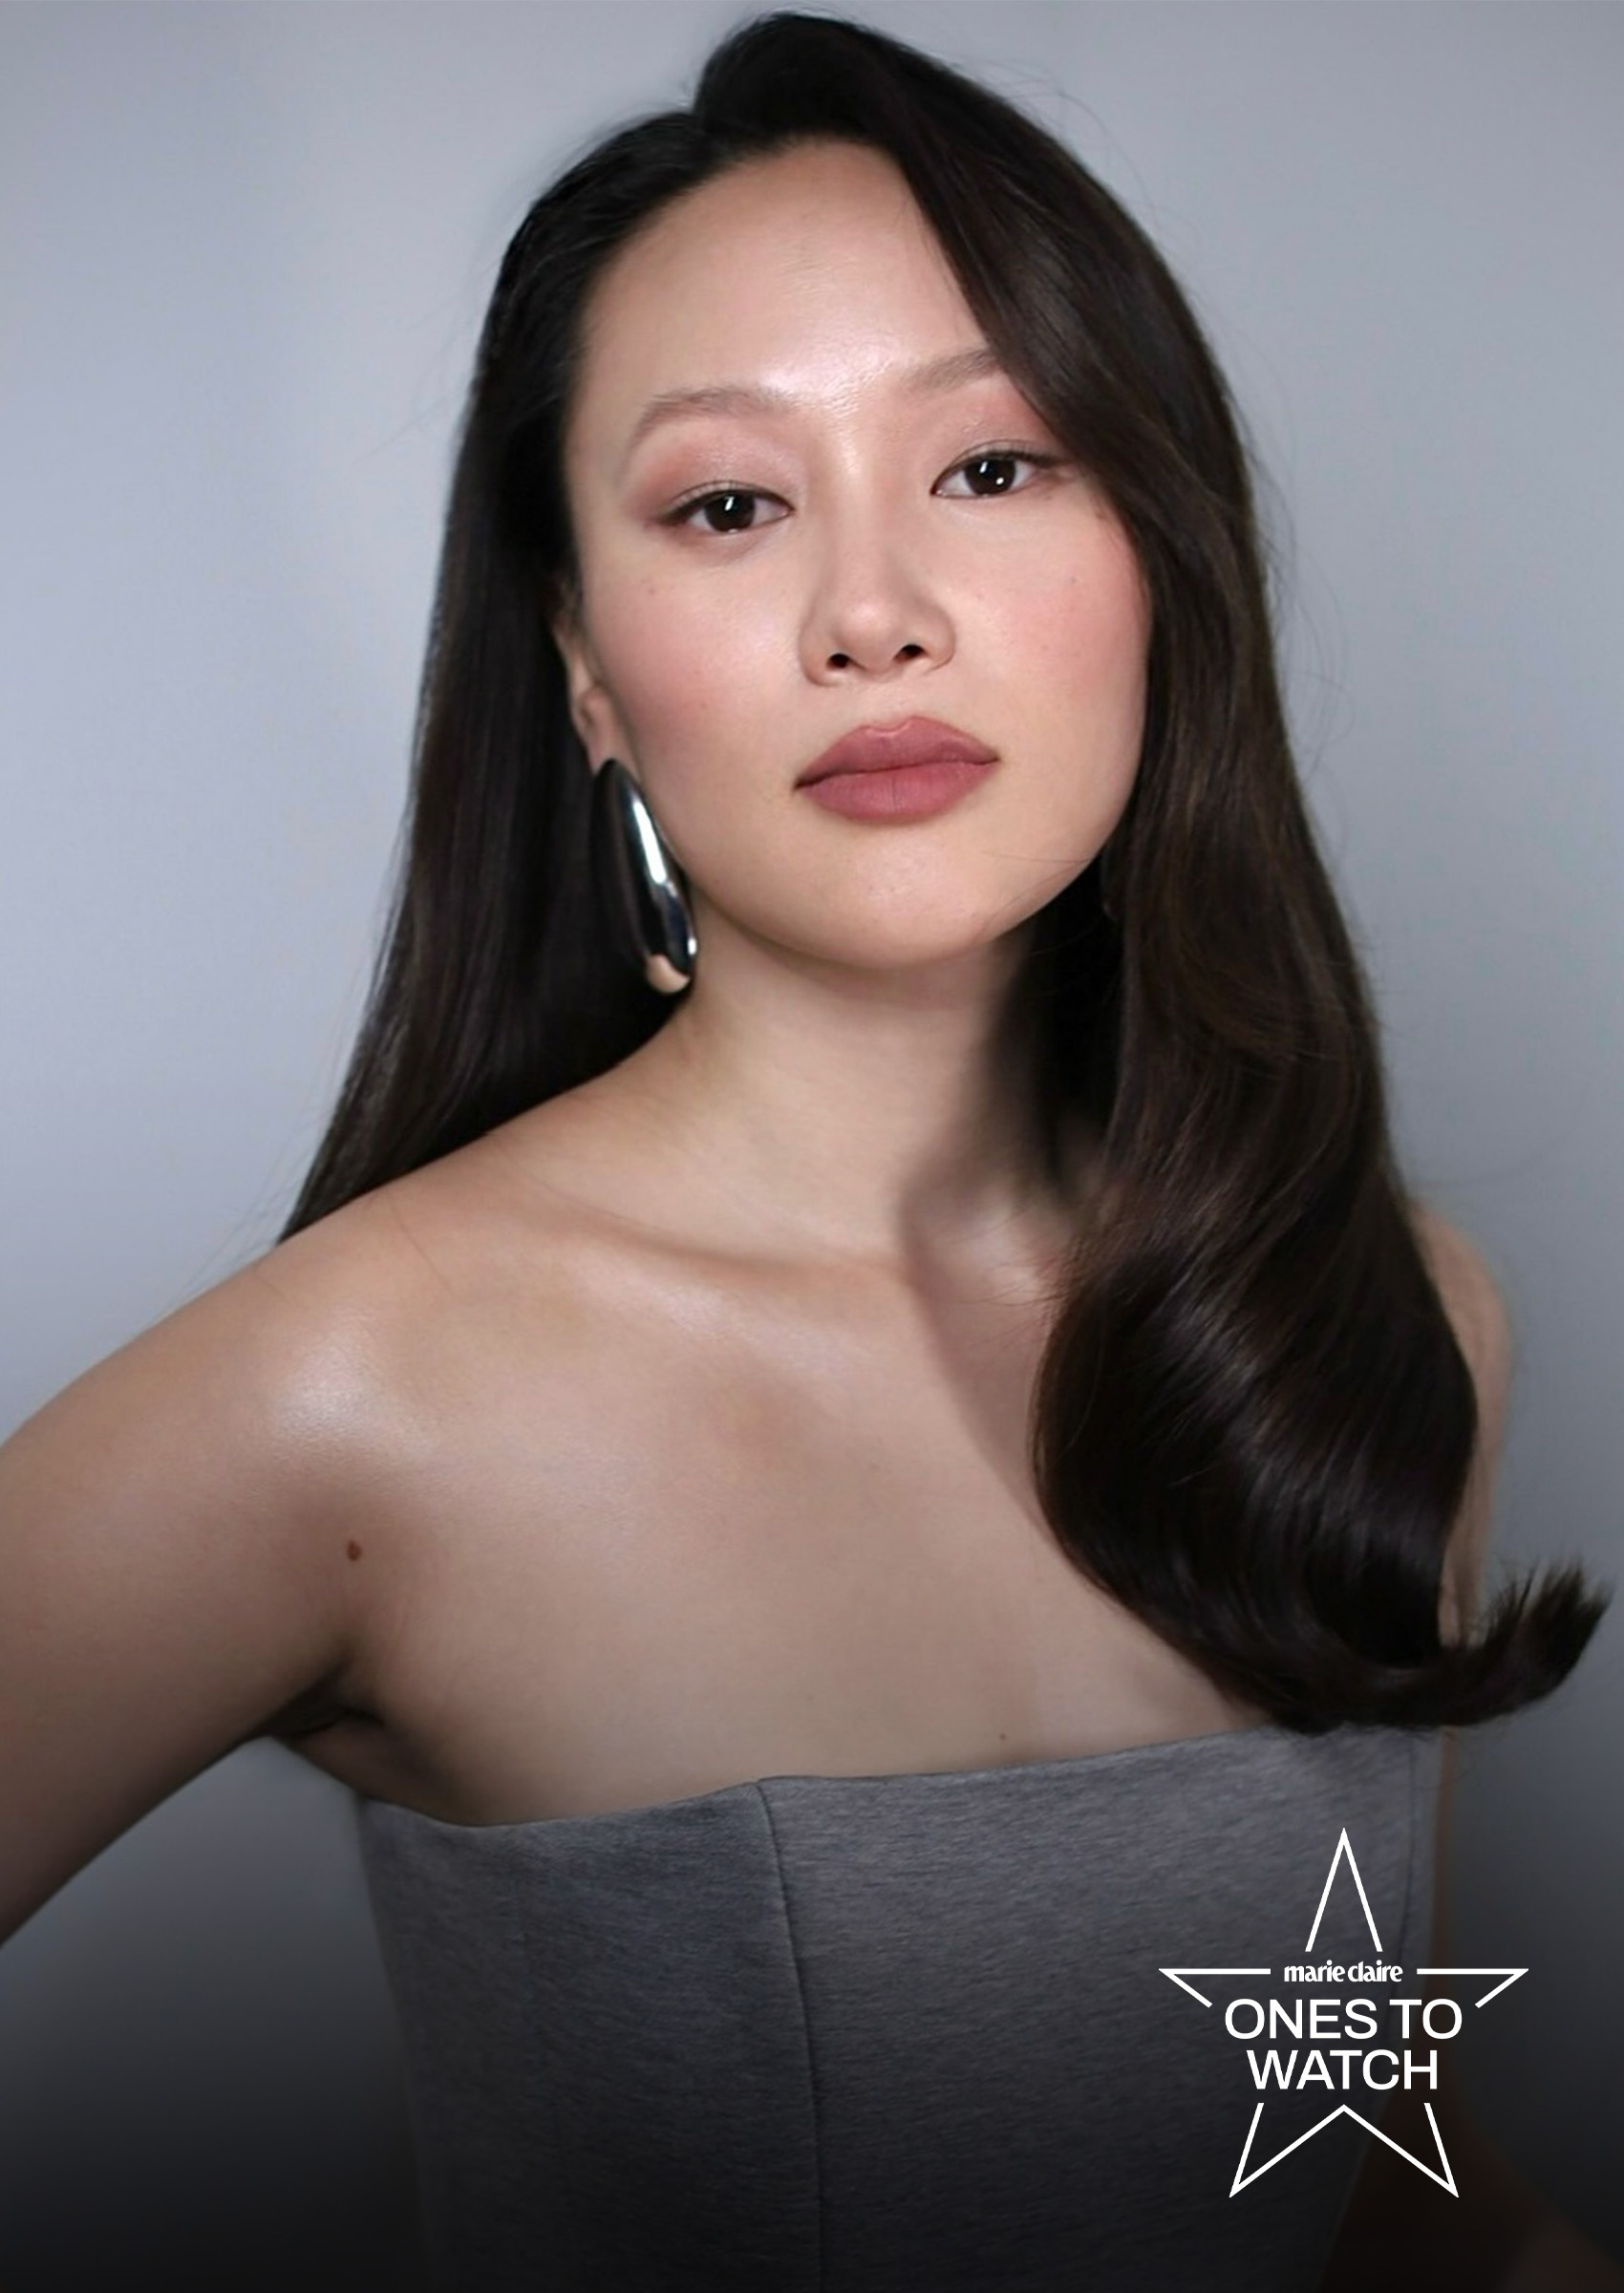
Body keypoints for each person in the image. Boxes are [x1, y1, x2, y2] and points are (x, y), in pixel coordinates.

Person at [1, 10, 1614, 2286]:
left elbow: (1372, 2195)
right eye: (728, 505)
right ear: (581, 663)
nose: (875, 614)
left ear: (1161, 550)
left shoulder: (1379, 1313)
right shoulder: (363, 1391)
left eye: (992, 466)